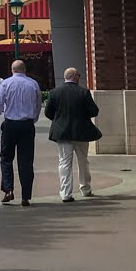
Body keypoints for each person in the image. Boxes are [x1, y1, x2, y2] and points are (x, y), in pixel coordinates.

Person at [45, 68, 102, 202]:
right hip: (81, 132)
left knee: (64, 162)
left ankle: (66, 193)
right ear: (74, 76)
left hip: (62, 132)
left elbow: (48, 113)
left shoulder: (54, 93)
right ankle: (85, 188)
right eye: (79, 75)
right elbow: (94, 111)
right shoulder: (84, 92)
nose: (79, 77)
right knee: (83, 161)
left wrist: (59, 119)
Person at [0, 61, 41, 206]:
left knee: (6, 158)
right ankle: (26, 196)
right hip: (27, 125)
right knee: (26, 160)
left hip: (11, 124)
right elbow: (37, 106)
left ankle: (8, 189)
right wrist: (33, 119)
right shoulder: (33, 84)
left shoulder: (5, 84)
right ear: (25, 69)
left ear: (11, 70)